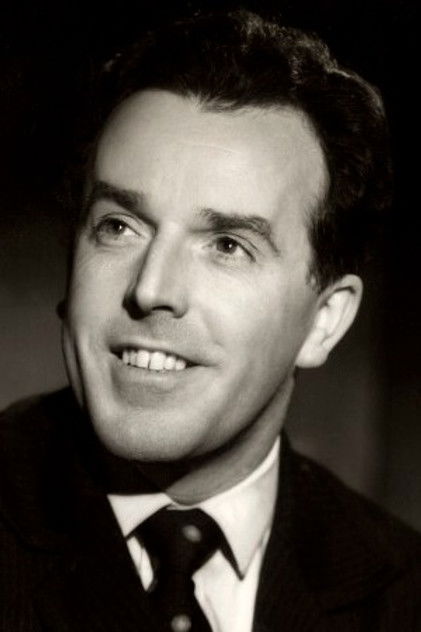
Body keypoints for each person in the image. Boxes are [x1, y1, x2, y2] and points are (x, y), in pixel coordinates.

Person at [1, 9, 420, 632]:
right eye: (119, 227)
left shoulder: (403, 592)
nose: (150, 289)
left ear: (324, 322)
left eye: (227, 245)